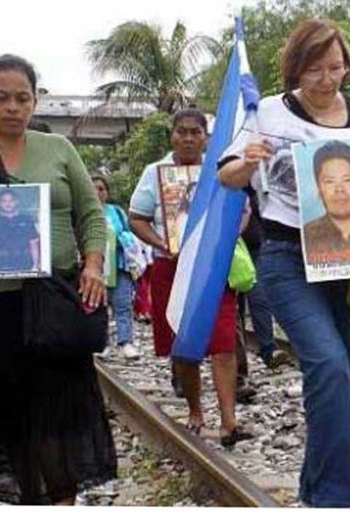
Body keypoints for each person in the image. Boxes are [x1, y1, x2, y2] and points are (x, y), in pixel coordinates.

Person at [218, 18, 350, 507]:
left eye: (336, 67)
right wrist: (248, 161)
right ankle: (340, 501)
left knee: (338, 379)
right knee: (331, 368)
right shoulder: (268, 112)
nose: (326, 78)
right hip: (287, 257)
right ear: (296, 67)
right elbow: (227, 176)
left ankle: (315, 491)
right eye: (314, 69)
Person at [0, 54, 116, 504]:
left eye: (23, 98)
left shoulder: (59, 150)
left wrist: (93, 265)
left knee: (58, 412)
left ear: (35, 102)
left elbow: (90, 215)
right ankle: (32, 498)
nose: (12, 107)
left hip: (52, 302)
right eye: (1, 98)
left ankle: (60, 497)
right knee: (11, 415)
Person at [129, 108, 251, 447]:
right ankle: (196, 410)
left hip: (212, 267)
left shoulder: (222, 171)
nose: (187, 138)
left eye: (195, 132)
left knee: (223, 340)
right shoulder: (155, 173)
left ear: (206, 138)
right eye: (181, 132)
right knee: (184, 345)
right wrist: (162, 243)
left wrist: (226, 241)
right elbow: (136, 218)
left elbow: (242, 212)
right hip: (171, 267)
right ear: (171, 136)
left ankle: (229, 420)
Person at [237, 192, 291, 369]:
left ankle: (269, 350)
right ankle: (239, 365)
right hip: (230, 251)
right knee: (235, 307)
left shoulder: (255, 184)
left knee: (259, 297)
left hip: (255, 249)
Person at [92, 174, 141, 360]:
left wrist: (120, 240)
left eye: (101, 189)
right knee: (97, 307)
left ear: (107, 192)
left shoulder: (117, 212)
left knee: (123, 305)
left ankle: (125, 342)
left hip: (119, 267)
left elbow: (130, 236)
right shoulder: (83, 212)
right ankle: (101, 343)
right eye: (93, 188)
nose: (97, 193)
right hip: (96, 269)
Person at [0, 188, 40, 273]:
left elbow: (34, 245)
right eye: (4, 201)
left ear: (16, 202)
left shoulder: (27, 219)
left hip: (25, 265)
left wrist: (35, 266)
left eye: (11, 200)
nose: (8, 204)